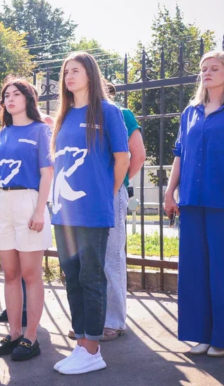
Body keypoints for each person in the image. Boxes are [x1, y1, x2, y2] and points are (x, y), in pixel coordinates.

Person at [164, 51, 224, 358]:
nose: (207, 72)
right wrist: (170, 192)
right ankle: (200, 335)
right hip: (192, 202)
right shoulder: (190, 112)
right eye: (204, 68)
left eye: (214, 68)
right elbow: (180, 154)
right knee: (194, 271)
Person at [50, 52, 129, 375]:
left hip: (93, 210)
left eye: (76, 71)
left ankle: (93, 349)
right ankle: (81, 342)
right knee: (72, 276)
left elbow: (122, 159)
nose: (69, 76)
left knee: (92, 276)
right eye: (66, 71)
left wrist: (105, 194)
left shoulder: (108, 112)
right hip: (63, 212)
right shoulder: (64, 115)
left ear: (90, 75)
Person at [0, 78, 53, 361]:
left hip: (28, 201)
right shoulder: (3, 134)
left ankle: (31, 337)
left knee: (30, 274)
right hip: (1, 202)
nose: (10, 99)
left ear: (28, 99)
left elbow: (47, 172)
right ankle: (13, 334)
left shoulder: (41, 130)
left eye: (16, 94)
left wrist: (39, 210)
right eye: (6, 95)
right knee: (9, 274)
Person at [81, 83, 145, 341]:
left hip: (109, 193)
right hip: (83, 196)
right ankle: (92, 319)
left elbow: (136, 156)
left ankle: (113, 321)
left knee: (111, 256)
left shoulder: (122, 113)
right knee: (87, 260)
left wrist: (115, 184)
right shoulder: (79, 115)